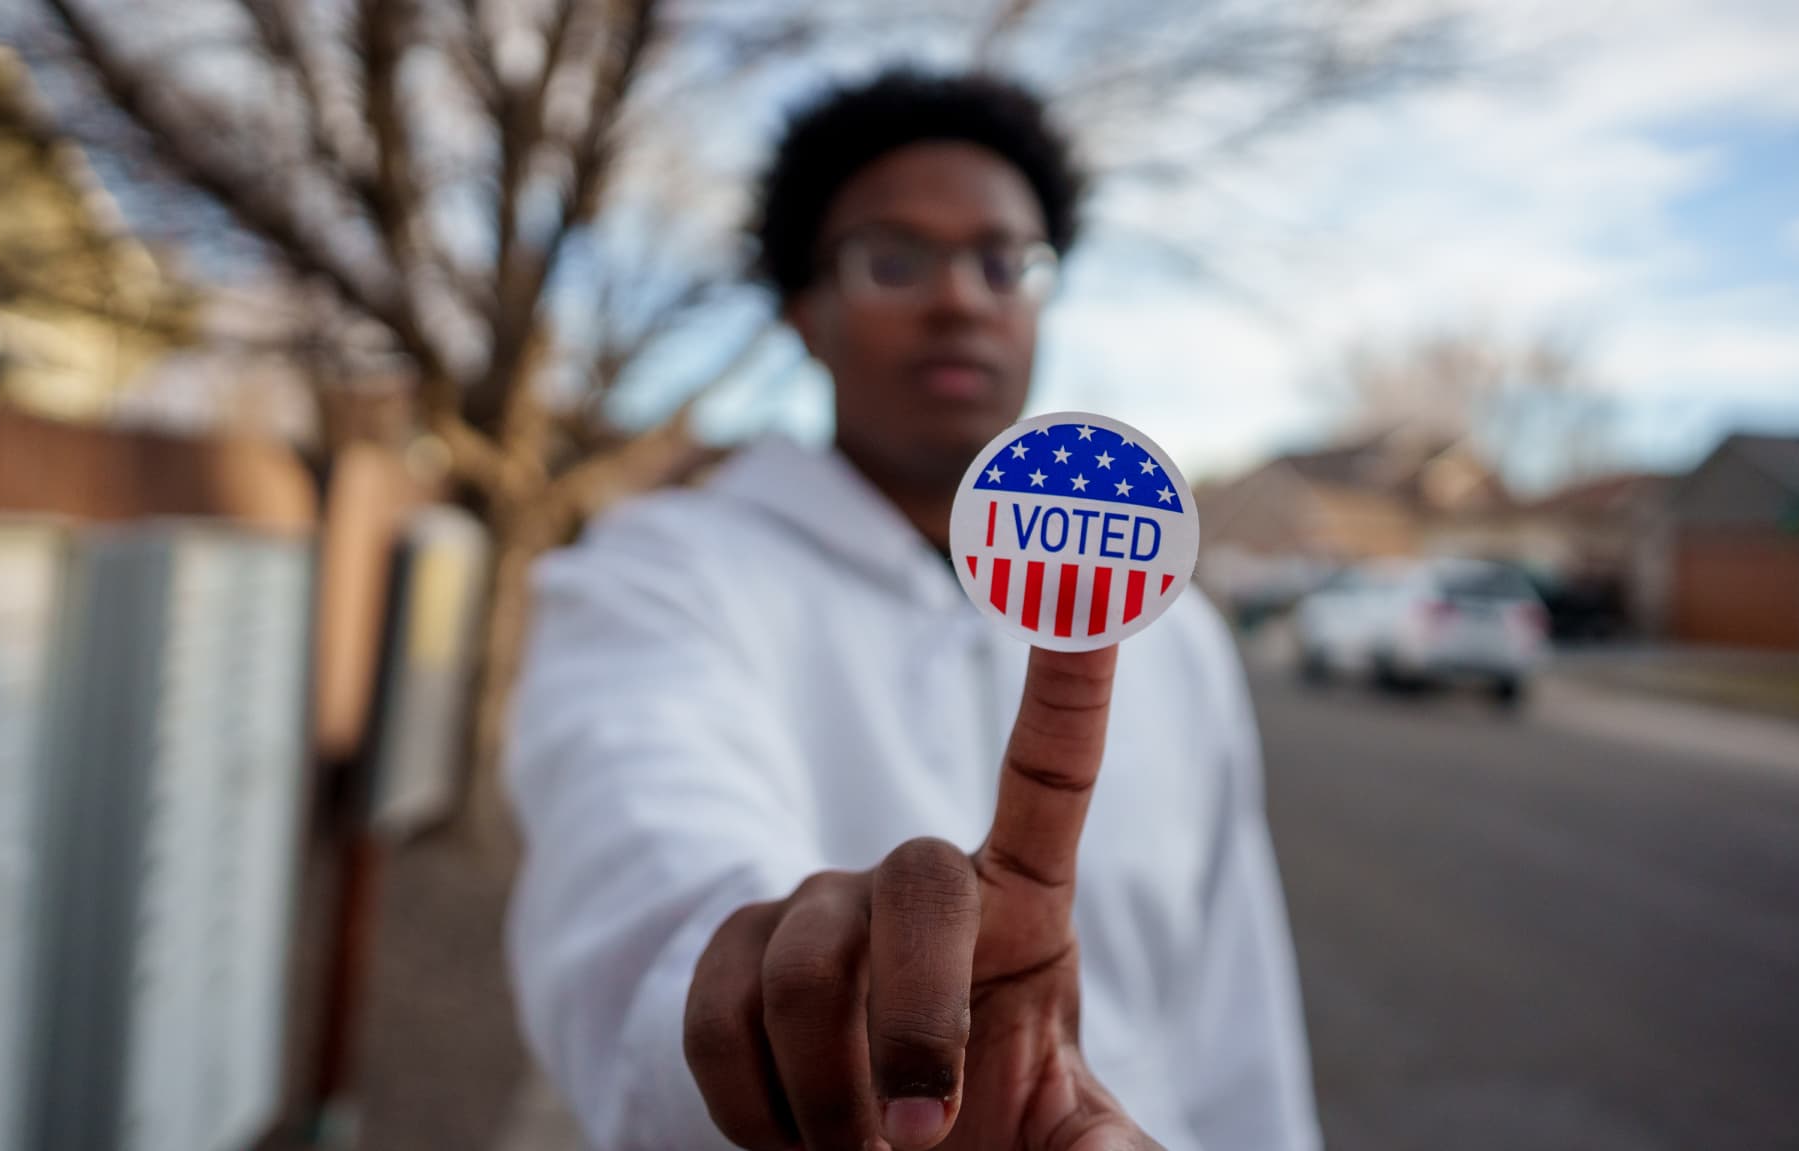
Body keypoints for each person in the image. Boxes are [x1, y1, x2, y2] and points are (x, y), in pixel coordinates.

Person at [505, 70, 1320, 1151]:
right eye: (893, 257)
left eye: (1003, 262)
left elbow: (1235, 1018)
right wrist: (784, 991)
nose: (960, 298)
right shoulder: (659, 575)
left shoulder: (1171, 633)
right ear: (805, 314)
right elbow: (639, 863)